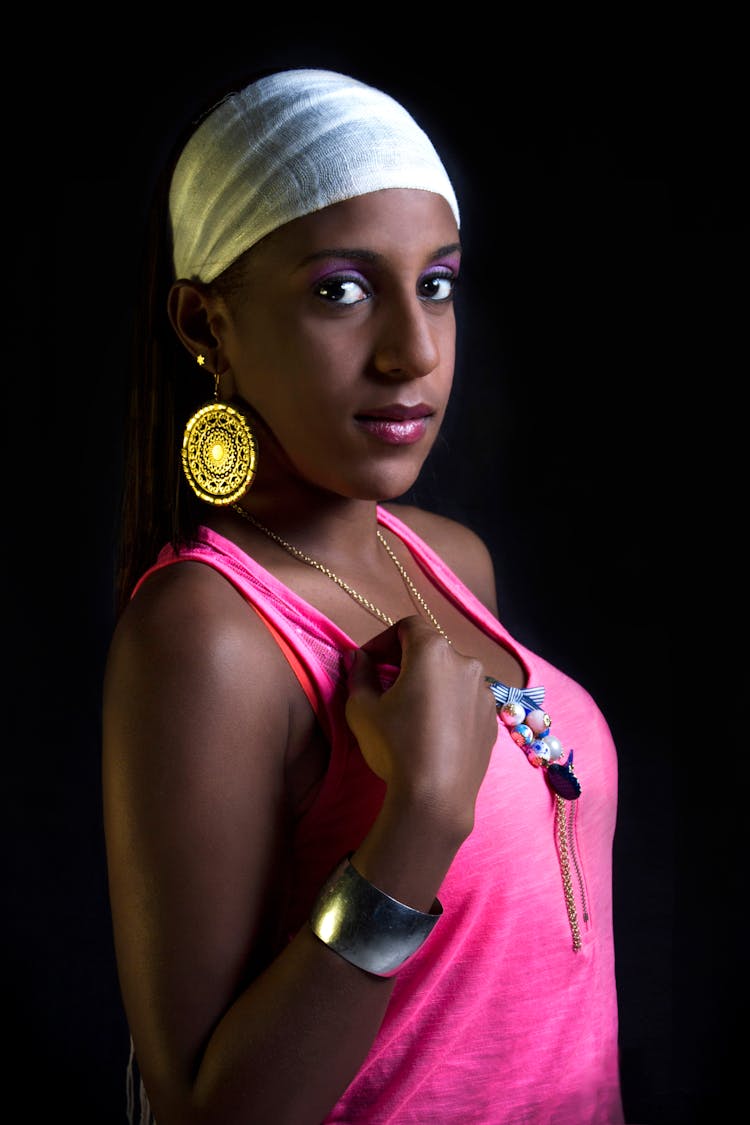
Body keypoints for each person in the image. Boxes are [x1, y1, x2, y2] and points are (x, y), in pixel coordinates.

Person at [102, 67, 624, 1125]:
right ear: (209, 323)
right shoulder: (208, 633)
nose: (413, 352)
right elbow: (207, 1111)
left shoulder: (452, 563)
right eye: (341, 289)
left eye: (435, 284)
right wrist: (416, 827)